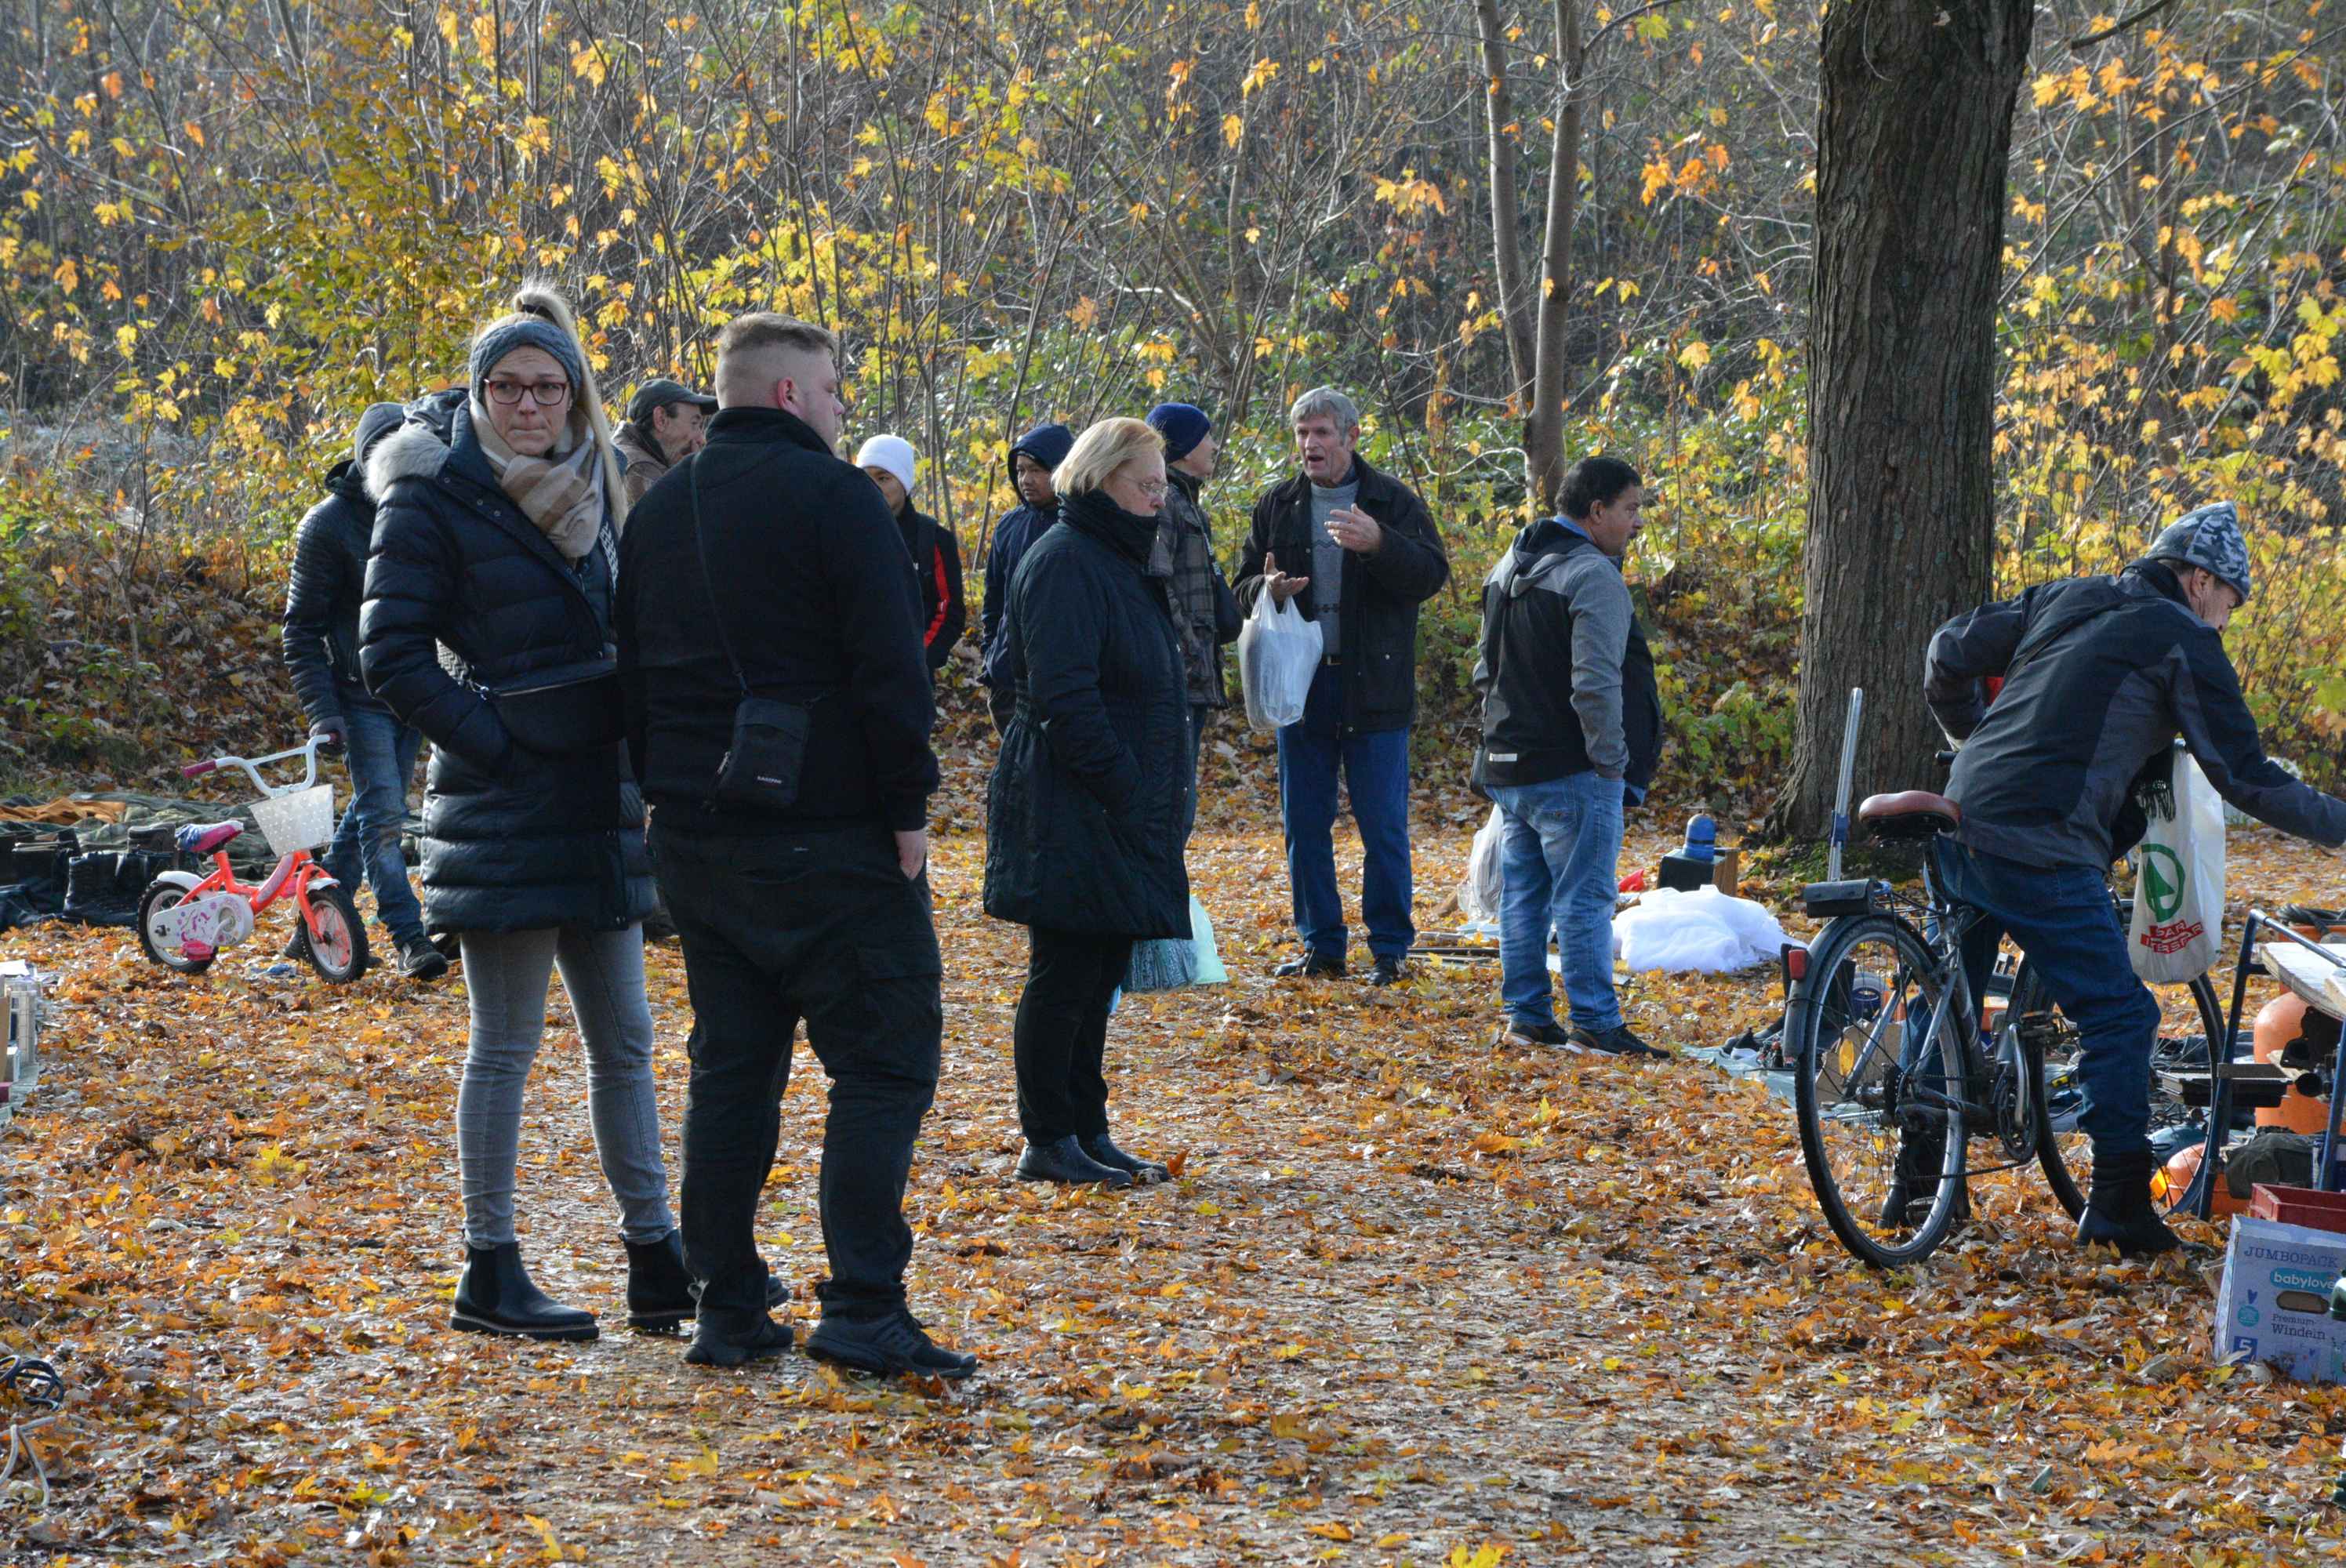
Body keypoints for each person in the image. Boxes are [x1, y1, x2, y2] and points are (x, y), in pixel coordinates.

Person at [616, 313, 975, 1378]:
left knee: (732, 1070)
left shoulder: (657, 512)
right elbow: (888, 669)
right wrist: (909, 809)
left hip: (694, 834)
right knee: (882, 1065)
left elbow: (632, 679)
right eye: (829, 391)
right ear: (786, 395)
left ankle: (727, 1306)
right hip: (832, 832)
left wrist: (662, 799)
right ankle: (863, 1303)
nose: (837, 408)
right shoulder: (837, 501)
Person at [362, 282, 699, 1344]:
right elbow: (389, 657)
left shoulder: (601, 484)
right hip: (501, 798)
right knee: (504, 1043)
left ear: (577, 395)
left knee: (628, 1039)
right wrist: (498, 747)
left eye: (547, 386)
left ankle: (657, 1258)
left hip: (598, 791)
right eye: (505, 385)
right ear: (478, 392)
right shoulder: (431, 494)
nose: (526, 404)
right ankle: (490, 1269)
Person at [1923, 500, 2346, 1255]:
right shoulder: (2182, 638)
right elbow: (2245, 776)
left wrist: (1969, 738)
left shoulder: (2068, 594)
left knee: (1951, 999)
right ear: (2199, 579)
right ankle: (2118, 1202)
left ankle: (1916, 1181)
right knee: (2121, 1018)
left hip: (1958, 810)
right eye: (2229, 603)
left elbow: (1948, 652)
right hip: (2043, 839)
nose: (2225, 621)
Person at [983, 416, 1193, 1189]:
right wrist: (1128, 790)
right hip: (1070, 803)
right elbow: (1064, 697)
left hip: (1109, 805)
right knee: (1065, 971)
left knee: (1096, 968)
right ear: (1103, 479)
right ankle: (1048, 1134)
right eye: (1146, 484)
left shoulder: (1115, 557)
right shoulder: (1066, 560)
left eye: (1163, 484)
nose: (1158, 498)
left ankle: (1087, 1127)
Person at [1235, 387, 1449, 986]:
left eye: (1323, 433)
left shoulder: (1392, 502)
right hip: (1299, 688)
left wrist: (1379, 544)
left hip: (1374, 686)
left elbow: (1432, 575)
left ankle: (1390, 951)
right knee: (1304, 822)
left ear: (1352, 437)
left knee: (1382, 825)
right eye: (1303, 434)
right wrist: (1267, 591)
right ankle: (1322, 948)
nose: (1311, 445)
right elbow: (1241, 586)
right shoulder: (1277, 504)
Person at [1471, 456, 1665, 1058]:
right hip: (1571, 769)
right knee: (1585, 899)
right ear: (1597, 510)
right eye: (1631, 510)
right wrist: (1612, 760)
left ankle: (1527, 1014)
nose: (1637, 524)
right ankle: (1596, 1022)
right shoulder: (1593, 576)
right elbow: (1595, 683)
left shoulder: (1509, 564)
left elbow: (1485, 669)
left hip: (1509, 764)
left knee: (1525, 897)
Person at [281, 401, 447, 982]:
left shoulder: (425, 509)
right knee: (384, 819)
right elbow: (300, 628)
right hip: (359, 695)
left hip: (413, 692)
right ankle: (408, 938)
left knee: (372, 809)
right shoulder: (326, 526)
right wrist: (321, 713)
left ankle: (316, 922)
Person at [1145, 402, 1243, 764]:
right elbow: (1158, 583)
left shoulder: (1191, 506)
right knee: (1172, 789)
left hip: (1194, 675)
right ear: (1184, 447)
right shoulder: (1165, 502)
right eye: (1207, 437)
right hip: (1179, 678)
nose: (1215, 446)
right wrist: (1187, 653)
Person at [979, 422, 1074, 731]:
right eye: (1020, 470)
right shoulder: (1009, 525)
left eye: (1036, 470)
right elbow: (994, 596)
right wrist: (991, 654)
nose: (1026, 480)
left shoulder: (1080, 525)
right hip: (1007, 677)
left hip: (1060, 679)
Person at [857, 434, 968, 673]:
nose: (874, 487)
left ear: (904, 483)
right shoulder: (844, 533)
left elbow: (949, 610)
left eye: (884, 478)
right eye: (866, 478)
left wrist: (918, 659)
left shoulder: (932, 539)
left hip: (912, 677)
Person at [613, 377, 717, 506]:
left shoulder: (628, 452)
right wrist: (693, 478)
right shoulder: (642, 470)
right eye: (694, 424)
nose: (701, 439)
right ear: (661, 419)